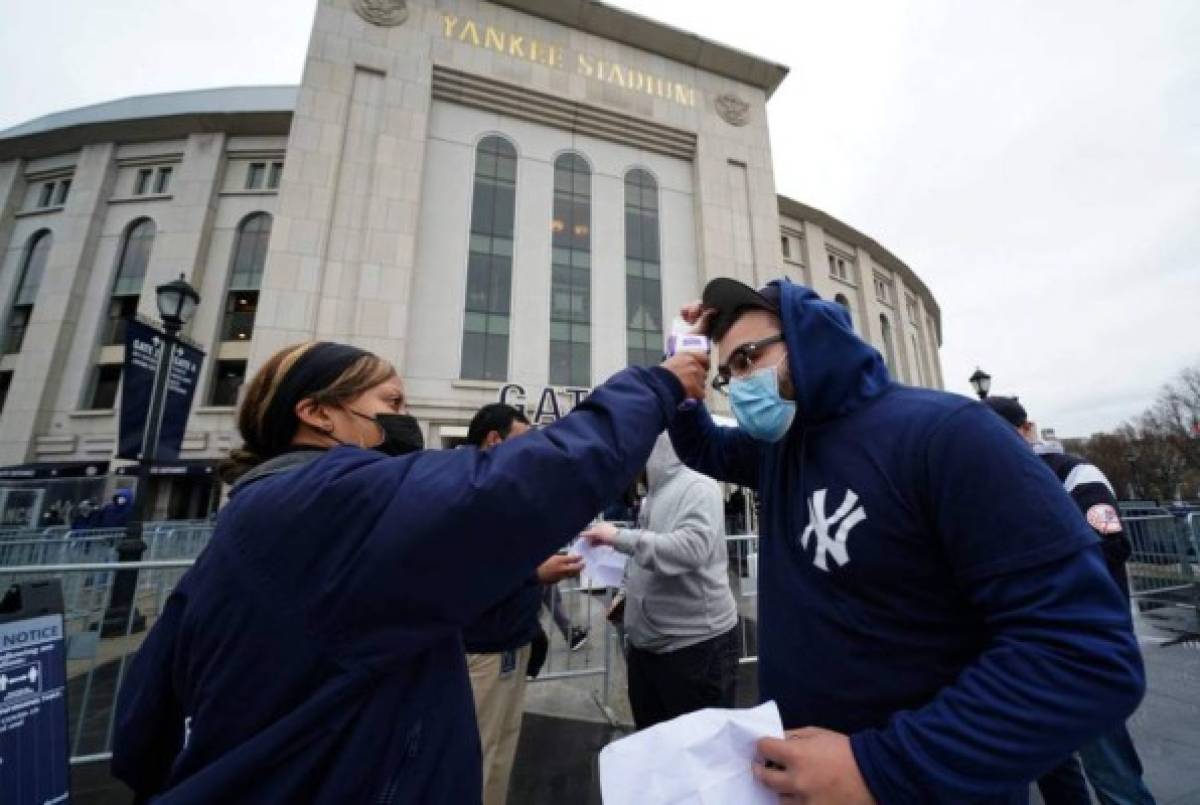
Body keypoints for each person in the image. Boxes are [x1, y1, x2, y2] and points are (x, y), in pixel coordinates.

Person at [111, 340, 708, 804]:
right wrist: (654, 385)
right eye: (390, 404)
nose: (404, 420)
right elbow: (517, 485)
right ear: (317, 413)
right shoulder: (322, 500)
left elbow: (144, 723)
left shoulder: (262, 511)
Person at [667, 277, 1145, 804]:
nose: (737, 384)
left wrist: (879, 769)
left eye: (747, 358)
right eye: (727, 375)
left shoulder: (946, 435)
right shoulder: (780, 451)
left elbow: (1083, 654)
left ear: (807, 339)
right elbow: (705, 448)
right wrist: (682, 361)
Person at [986, 395, 1156, 805]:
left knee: (1111, 771)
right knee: (1051, 767)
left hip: (1083, 644)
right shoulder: (993, 484)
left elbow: (1110, 542)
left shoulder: (1075, 473)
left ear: (1027, 430)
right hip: (1024, 648)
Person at [460, 402, 586, 805]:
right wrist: (534, 573)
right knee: (484, 752)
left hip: (506, 641)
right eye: (523, 441)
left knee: (498, 746)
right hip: (488, 646)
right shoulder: (468, 493)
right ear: (494, 440)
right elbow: (470, 569)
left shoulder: (491, 486)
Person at [582, 432, 739, 729]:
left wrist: (618, 537)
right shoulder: (653, 494)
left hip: (695, 650)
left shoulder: (698, 486)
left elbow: (691, 549)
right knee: (656, 746)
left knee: (696, 755)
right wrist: (627, 596)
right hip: (650, 650)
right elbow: (645, 557)